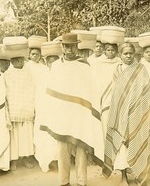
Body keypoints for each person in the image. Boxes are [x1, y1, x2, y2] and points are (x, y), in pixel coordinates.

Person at [40, 33, 104, 186]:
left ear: (77, 46)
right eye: (66, 46)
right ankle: (64, 182)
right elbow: (51, 92)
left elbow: (91, 90)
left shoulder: (84, 66)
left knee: (81, 149)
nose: (69, 49)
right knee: (63, 151)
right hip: (62, 115)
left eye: (72, 46)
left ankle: (82, 181)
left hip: (79, 114)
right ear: (62, 47)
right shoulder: (56, 66)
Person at [103, 43, 150, 186]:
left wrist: (140, 109)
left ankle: (139, 173)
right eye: (125, 54)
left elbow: (146, 91)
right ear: (120, 55)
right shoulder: (117, 70)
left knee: (138, 140)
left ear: (135, 55)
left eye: (131, 53)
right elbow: (116, 94)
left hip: (138, 112)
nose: (128, 56)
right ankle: (123, 176)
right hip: (121, 113)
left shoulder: (141, 69)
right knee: (122, 146)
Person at [4, 55, 36, 170]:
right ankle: (14, 160)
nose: (18, 62)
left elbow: (31, 89)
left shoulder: (29, 74)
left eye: (20, 59)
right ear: (11, 60)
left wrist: (30, 106)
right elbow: (7, 92)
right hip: (14, 109)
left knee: (26, 135)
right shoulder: (7, 75)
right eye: (15, 59)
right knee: (14, 136)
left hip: (26, 108)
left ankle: (26, 157)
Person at [92, 42, 121, 138]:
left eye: (113, 50)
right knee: (104, 121)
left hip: (117, 96)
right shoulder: (99, 64)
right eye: (108, 50)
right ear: (105, 51)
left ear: (116, 51)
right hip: (103, 96)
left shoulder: (120, 63)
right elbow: (97, 80)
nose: (111, 52)